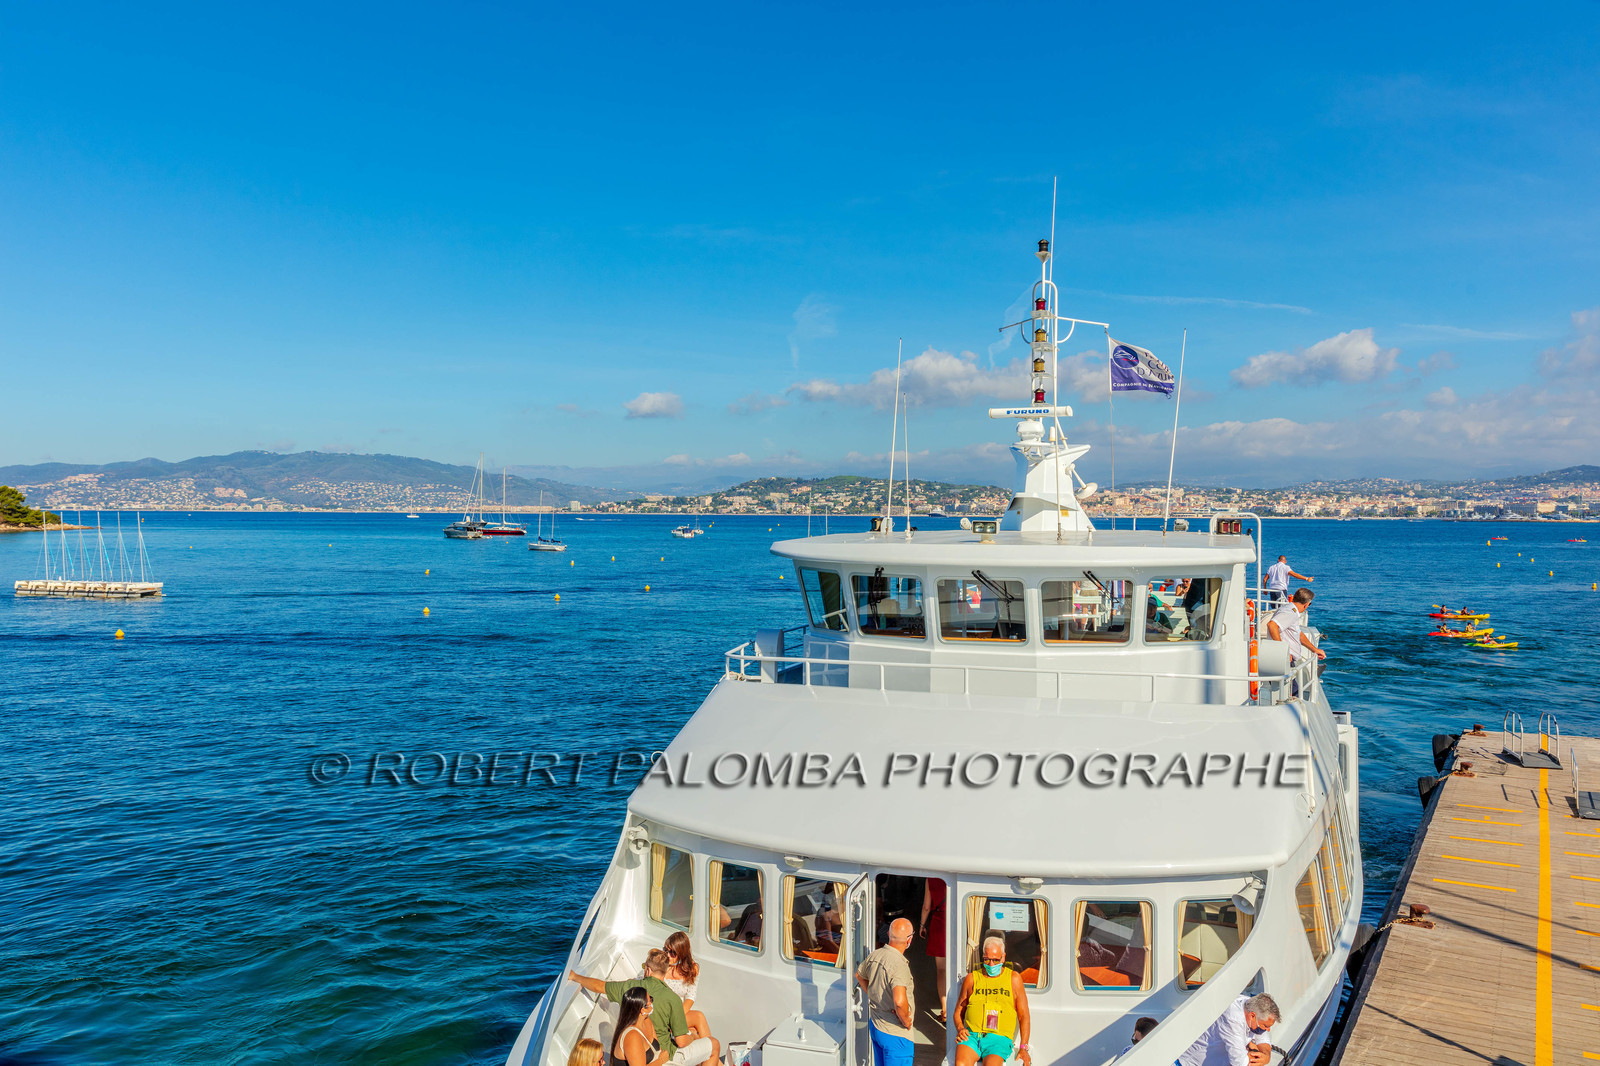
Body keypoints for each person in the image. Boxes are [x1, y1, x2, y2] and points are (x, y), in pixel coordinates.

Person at [568, 950, 718, 1066]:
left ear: (647, 970)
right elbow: (681, 1042)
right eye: (649, 1002)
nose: (651, 1003)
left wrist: (575, 977)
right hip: (667, 1056)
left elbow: (599, 986)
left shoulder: (630, 988)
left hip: (657, 1053)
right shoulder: (672, 999)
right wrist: (692, 1036)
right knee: (713, 1044)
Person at [954, 935, 1032, 1066]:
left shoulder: (1013, 978)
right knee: (961, 1063)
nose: (991, 964)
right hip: (973, 1037)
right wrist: (960, 1028)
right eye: (987, 959)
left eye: (995, 960)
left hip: (998, 1039)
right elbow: (958, 1012)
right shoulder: (972, 978)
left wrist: (1024, 1047)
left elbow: (1024, 1015)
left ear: (1003, 957)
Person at [856, 918, 916, 1066]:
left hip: (877, 1026)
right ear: (909, 939)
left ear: (889, 934)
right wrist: (906, 1020)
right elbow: (899, 1002)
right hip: (895, 1033)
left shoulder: (875, 955)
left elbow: (859, 975)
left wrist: (873, 995)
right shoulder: (899, 965)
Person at [1177, 992, 1279, 1066]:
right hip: (1189, 1062)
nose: (1268, 1030)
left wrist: (1266, 1055)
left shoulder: (1251, 1005)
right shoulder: (1232, 1019)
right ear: (1252, 1016)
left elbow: (1263, 1037)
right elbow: (1240, 1062)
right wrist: (1258, 1059)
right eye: (1266, 1026)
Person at [662, 931, 714, 1047]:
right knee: (697, 1023)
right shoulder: (661, 966)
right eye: (666, 950)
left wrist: (678, 1016)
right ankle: (712, 1052)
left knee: (698, 1020)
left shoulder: (692, 969)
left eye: (672, 952)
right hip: (663, 1013)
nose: (668, 955)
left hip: (679, 1012)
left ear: (682, 953)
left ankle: (711, 1053)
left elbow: (691, 996)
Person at [609, 989, 669, 1066]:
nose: (652, 1002)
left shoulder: (646, 1020)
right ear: (642, 1009)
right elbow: (660, 1058)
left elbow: (658, 1051)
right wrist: (661, 1061)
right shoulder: (632, 1036)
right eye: (650, 1000)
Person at [1267, 589, 1324, 667]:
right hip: (1284, 659)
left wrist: (1314, 649)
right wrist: (1283, 651)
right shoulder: (1290, 612)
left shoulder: (1291, 610)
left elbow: (1298, 633)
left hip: (1288, 658)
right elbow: (1272, 625)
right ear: (1306, 604)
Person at [919, 878, 949, 1021]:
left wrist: (922, 925)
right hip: (957, 919)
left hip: (939, 922)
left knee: (941, 969)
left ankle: (944, 1010)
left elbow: (926, 906)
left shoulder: (931, 879)